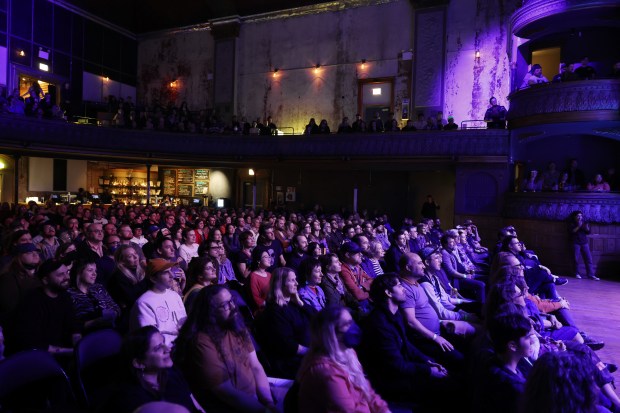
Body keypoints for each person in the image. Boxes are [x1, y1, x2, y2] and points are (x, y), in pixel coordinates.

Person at [359, 273, 455, 410]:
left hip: (404, 369)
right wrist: (428, 371)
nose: (403, 288)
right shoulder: (379, 325)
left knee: (448, 376)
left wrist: (426, 361)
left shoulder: (395, 313)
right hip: (391, 381)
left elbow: (406, 344)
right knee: (448, 388)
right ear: (388, 293)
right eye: (399, 285)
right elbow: (395, 366)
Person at [175, 285, 277, 412]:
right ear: (210, 312)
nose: (233, 307)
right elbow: (227, 393)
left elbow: (255, 366)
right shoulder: (201, 342)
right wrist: (264, 410)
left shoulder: (235, 324)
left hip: (257, 399)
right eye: (225, 305)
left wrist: (268, 402)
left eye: (232, 301)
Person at [297, 306, 390, 413]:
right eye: (347, 324)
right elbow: (348, 410)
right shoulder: (326, 371)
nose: (354, 327)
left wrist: (384, 410)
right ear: (331, 334)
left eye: (352, 322)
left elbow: (367, 391)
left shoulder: (349, 353)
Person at [105, 326, 198, 413]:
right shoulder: (130, 399)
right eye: (158, 348)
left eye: (163, 343)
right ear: (139, 363)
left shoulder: (172, 374)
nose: (167, 349)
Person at [7, 260, 81, 356]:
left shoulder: (64, 296)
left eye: (67, 272)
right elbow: (31, 342)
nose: (67, 277)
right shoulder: (32, 302)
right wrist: (70, 352)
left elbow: (73, 326)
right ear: (45, 280)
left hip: (65, 352)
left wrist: (79, 346)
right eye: (60, 275)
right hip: (38, 357)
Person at [256, 267, 315, 378]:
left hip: (308, 354)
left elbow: (318, 319)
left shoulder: (295, 304)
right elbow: (288, 345)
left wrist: (300, 303)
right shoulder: (274, 311)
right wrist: (313, 352)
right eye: (292, 280)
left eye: (296, 279)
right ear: (281, 284)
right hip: (292, 362)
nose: (297, 283)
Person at [472, 312, 535, 413]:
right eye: (527, 337)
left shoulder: (492, 359)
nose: (532, 341)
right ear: (513, 346)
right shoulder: (515, 388)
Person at [130, 259, 187, 346]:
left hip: (181, 346)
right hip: (164, 350)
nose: (171, 275)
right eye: (166, 272)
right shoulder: (144, 303)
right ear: (153, 278)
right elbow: (150, 339)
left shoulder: (175, 295)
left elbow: (184, 322)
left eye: (171, 271)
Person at [67, 258, 120, 333]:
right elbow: (71, 323)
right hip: (86, 334)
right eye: (90, 270)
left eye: (95, 271)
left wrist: (112, 314)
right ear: (79, 272)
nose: (94, 274)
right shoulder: (69, 294)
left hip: (109, 329)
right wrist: (95, 321)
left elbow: (116, 307)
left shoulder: (98, 288)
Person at [568, 211, 599, 280]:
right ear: (574, 217)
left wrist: (586, 227)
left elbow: (588, 232)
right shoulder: (571, 223)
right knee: (575, 259)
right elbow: (572, 232)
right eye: (578, 216)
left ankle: (591, 275)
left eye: (581, 216)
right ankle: (576, 273)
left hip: (584, 243)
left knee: (588, 259)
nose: (580, 217)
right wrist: (579, 226)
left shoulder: (584, 222)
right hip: (575, 243)